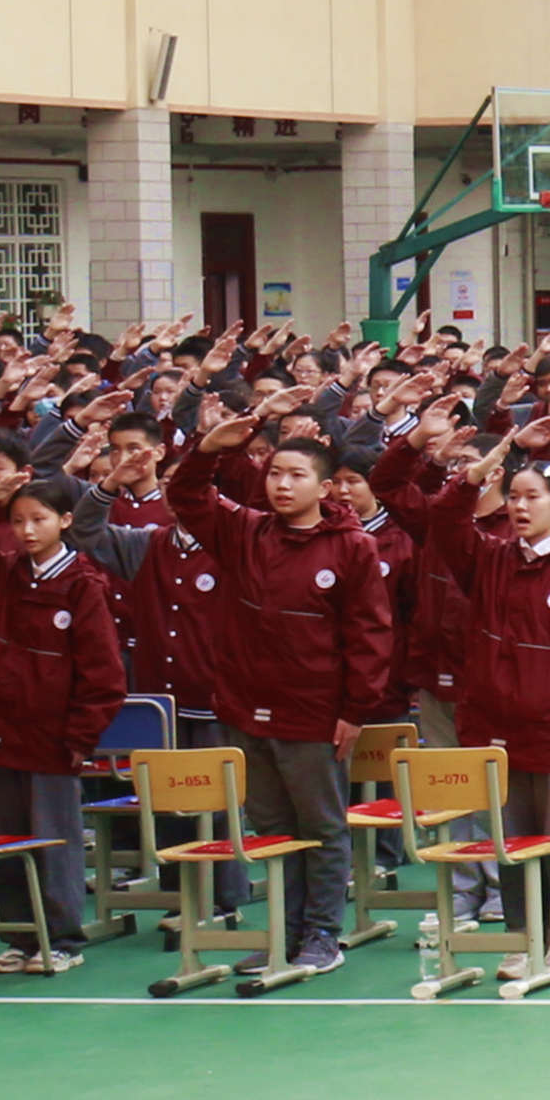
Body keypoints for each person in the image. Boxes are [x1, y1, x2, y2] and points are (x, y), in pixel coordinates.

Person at [167, 404, 399, 982]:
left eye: (296, 475)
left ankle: (322, 933)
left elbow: (369, 634)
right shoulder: (244, 531)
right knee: (271, 829)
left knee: (321, 827)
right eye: (274, 474)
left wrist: (354, 710)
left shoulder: (351, 546)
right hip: (246, 709)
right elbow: (187, 497)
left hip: (314, 714)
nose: (282, 485)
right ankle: (281, 932)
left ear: (324, 488)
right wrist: (208, 449)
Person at [418, 442, 550, 991]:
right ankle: (522, 935)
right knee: (510, 839)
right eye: (513, 496)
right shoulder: (491, 559)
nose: (520, 507)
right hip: (496, 731)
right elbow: (444, 523)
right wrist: (474, 475)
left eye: (533, 497)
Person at [0, 482, 128, 972]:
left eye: (39, 519)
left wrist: (79, 738)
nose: (27, 531)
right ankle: (20, 937)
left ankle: (63, 940)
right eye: (18, 521)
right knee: (0, 840)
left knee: (53, 841)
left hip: (52, 743)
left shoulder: (84, 584)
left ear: (65, 521)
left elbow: (104, 678)